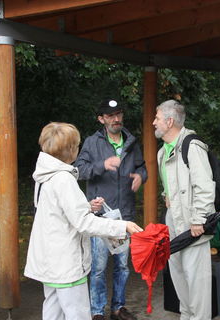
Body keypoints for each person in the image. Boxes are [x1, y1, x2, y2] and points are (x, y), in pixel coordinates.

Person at [24, 122, 143, 320]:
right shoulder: (63, 179)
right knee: (77, 313)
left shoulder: (44, 175)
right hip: (66, 263)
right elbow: (84, 223)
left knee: (52, 311)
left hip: (50, 261)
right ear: (70, 150)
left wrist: (86, 207)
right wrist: (123, 226)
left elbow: (57, 211)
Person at [75, 99, 147, 320]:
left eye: (119, 114)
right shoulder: (91, 142)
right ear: (101, 119)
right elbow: (79, 169)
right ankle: (97, 311)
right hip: (100, 216)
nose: (116, 119)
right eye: (110, 116)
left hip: (124, 215)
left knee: (122, 267)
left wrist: (140, 177)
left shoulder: (131, 142)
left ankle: (118, 308)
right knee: (98, 268)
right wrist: (102, 165)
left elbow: (141, 166)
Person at [153, 99, 215, 320]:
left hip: (193, 221)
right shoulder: (163, 152)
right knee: (178, 274)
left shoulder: (192, 145)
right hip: (174, 219)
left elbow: (205, 187)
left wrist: (198, 220)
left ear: (169, 121)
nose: (153, 122)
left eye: (157, 118)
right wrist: (166, 197)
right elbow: (172, 185)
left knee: (197, 280)